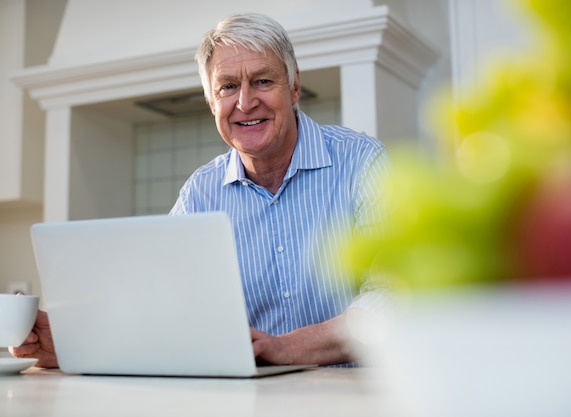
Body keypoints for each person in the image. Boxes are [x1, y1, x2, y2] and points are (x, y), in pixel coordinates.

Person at [11, 12, 390, 368]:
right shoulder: (199, 194)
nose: (245, 102)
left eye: (262, 80)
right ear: (212, 102)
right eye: (227, 87)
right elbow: (160, 309)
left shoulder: (360, 162)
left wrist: (285, 347)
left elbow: (393, 296)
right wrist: (68, 343)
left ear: (293, 87)